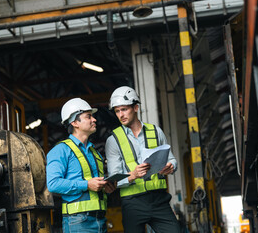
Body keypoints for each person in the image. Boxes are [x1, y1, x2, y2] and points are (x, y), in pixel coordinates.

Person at [105, 86, 180, 233]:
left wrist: (171, 166)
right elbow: (114, 178)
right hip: (132, 203)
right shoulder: (113, 140)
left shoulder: (155, 131)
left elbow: (172, 158)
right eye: (117, 111)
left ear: (136, 108)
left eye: (124, 109)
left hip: (159, 200)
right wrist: (132, 175)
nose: (121, 115)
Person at [46, 98, 115, 233]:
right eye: (88, 116)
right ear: (74, 122)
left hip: (100, 219)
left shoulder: (94, 153)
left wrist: (106, 188)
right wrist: (87, 185)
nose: (94, 119)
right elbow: (53, 184)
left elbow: (94, 185)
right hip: (78, 222)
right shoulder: (60, 150)